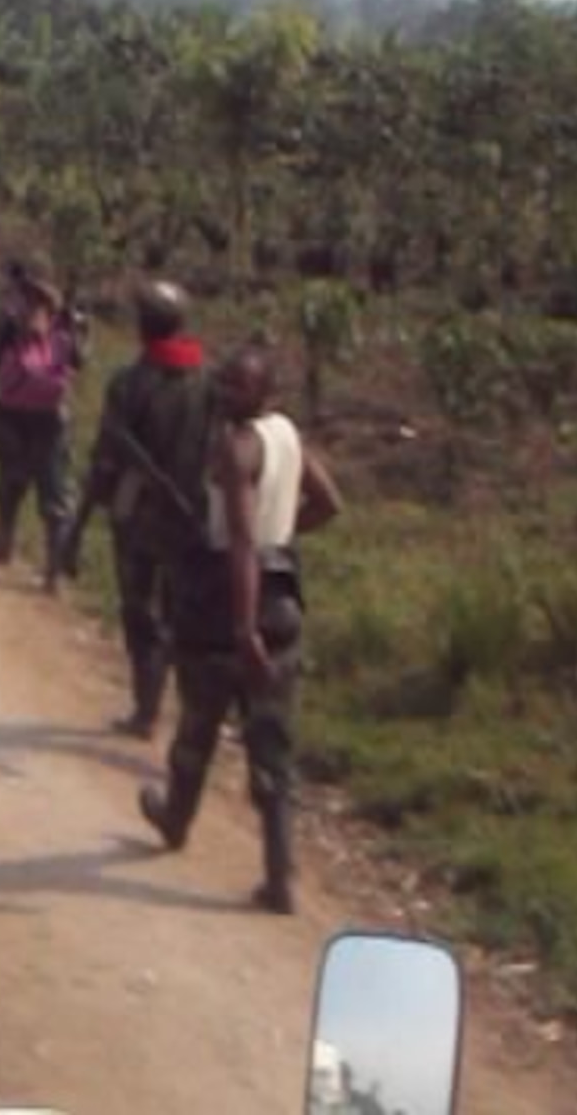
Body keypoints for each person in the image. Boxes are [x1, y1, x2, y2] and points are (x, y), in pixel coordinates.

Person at [139, 345, 343, 914]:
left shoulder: (236, 449)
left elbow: (242, 543)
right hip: (282, 602)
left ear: (263, 393)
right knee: (272, 743)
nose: (225, 393)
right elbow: (329, 503)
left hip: (230, 604)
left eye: (237, 386)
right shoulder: (287, 436)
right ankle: (280, 877)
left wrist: (242, 625)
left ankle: (175, 818)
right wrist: (285, 537)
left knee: (199, 723)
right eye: (223, 383)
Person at [59, 280, 212, 738]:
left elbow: (106, 459)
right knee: (175, 610)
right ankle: (171, 699)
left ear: (143, 327)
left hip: (139, 513)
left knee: (138, 609)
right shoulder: (209, 382)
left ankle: (147, 705)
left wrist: (79, 525)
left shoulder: (131, 383)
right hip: (193, 514)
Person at [0, 262, 81, 590]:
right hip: (52, 419)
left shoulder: (9, 320)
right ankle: (52, 574)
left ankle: (3, 544)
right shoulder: (65, 320)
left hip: (10, 414)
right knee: (55, 493)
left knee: (9, 482)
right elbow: (78, 363)